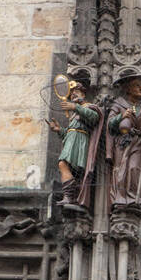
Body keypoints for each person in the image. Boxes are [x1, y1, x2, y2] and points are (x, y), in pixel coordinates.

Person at [48, 77, 103, 208]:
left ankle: (69, 196)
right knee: (68, 167)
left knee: (63, 164)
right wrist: (59, 130)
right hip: (72, 141)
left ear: (83, 94)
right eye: (71, 93)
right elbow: (70, 132)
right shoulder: (74, 114)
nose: (73, 94)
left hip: (80, 142)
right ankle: (71, 197)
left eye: (76, 91)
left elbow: (94, 118)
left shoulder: (89, 107)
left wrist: (75, 106)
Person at [106, 72, 141, 209]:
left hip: (138, 143)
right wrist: (121, 116)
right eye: (137, 86)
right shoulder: (119, 104)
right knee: (121, 170)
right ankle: (120, 197)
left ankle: (134, 197)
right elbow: (110, 124)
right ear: (128, 89)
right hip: (122, 143)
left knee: (134, 168)